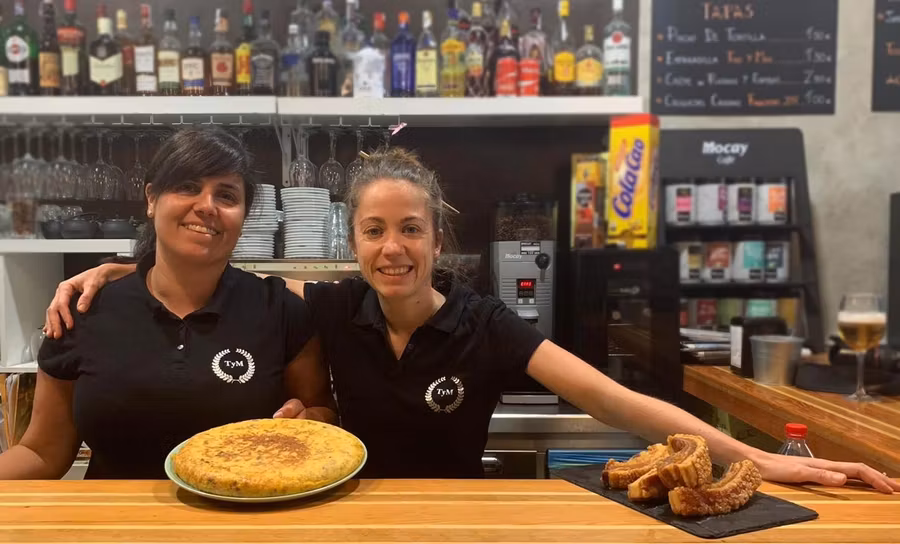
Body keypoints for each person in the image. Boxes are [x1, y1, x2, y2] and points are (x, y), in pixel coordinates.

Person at [45, 148, 900, 492]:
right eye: (374, 231)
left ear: (436, 235)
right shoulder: (329, 306)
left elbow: (617, 403)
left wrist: (758, 461)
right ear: (353, 242)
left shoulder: (488, 324)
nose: (392, 249)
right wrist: (118, 271)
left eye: (409, 229)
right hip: (353, 521)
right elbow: (209, 277)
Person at [0, 128, 334, 480]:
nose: (206, 206)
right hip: (114, 529)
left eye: (226, 195)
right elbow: (42, 451)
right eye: (187, 187)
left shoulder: (281, 310)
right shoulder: (83, 309)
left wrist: (312, 420)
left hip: (242, 525)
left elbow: (321, 415)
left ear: (244, 216)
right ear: (151, 199)